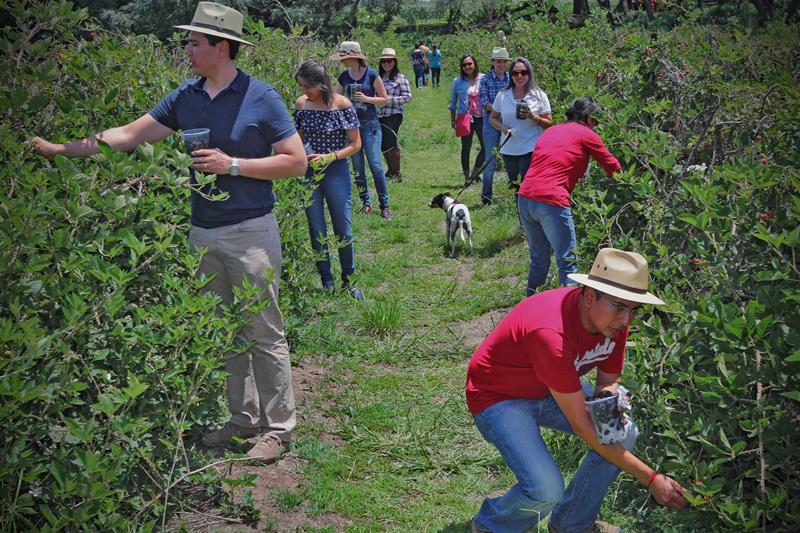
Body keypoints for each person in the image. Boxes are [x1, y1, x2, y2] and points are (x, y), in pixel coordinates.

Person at [31, 2, 307, 463]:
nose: (187, 50)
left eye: (194, 43)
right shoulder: (187, 97)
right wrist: (61, 149)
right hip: (203, 231)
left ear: (222, 47)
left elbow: (295, 161)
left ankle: (279, 429)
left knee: (263, 331)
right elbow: (128, 134)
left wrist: (232, 165)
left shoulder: (262, 97)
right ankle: (242, 421)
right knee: (224, 331)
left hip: (251, 231)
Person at [467, 248, 690, 533]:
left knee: (624, 432)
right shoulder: (550, 332)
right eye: (619, 306)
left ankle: (572, 523)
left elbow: (607, 379)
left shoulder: (611, 325)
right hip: (497, 396)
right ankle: (491, 525)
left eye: (633, 309)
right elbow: (584, 427)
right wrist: (651, 478)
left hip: (550, 389)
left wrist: (609, 399)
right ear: (588, 297)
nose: (625, 320)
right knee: (546, 489)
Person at [518, 97, 621, 296]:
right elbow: (614, 168)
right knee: (568, 262)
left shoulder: (551, 131)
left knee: (539, 259)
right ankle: (566, 318)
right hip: (551, 200)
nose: (596, 127)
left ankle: (530, 308)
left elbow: (551, 162)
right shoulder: (587, 134)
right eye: (596, 122)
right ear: (589, 119)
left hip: (525, 197)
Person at [294, 59, 364, 300]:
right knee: (316, 227)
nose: (305, 92)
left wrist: (330, 156)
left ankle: (350, 280)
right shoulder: (302, 105)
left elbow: (356, 145)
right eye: (302, 87)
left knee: (342, 227)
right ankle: (326, 280)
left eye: (308, 87)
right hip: (309, 172)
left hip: (336, 171)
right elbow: (298, 138)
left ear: (321, 85)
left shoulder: (342, 105)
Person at [331, 41, 393, 219]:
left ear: (354, 57)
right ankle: (366, 203)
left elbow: (384, 100)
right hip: (351, 127)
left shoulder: (372, 75)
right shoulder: (344, 77)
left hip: (370, 124)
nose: (342, 60)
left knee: (375, 165)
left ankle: (385, 205)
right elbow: (336, 98)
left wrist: (366, 98)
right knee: (357, 168)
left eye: (344, 56)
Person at [488, 56, 553, 192]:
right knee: (514, 186)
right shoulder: (503, 95)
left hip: (530, 148)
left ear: (529, 74)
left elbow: (549, 124)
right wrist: (504, 128)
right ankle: (519, 211)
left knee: (526, 186)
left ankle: (526, 212)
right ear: (510, 75)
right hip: (508, 148)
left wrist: (532, 116)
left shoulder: (539, 96)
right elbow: (492, 119)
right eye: (515, 73)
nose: (519, 76)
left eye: (523, 72)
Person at [477, 47, 510, 205]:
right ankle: (486, 196)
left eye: (504, 61)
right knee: (490, 160)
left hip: (509, 122)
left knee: (510, 158)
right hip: (490, 122)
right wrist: (500, 109)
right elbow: (483, 102)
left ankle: (512, 195)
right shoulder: (485, 79)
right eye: (498, 61)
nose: (501, 64)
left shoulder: (511, 78)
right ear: (492, 62)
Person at [449, 54, 485, 188]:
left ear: (474, 64)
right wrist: (453, 120)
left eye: (469, 64)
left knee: (486, 147)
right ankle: (467, 178)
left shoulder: (483, 78)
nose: (467, 67)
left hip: (482, 117)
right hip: (465, 118)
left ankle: (475, 173)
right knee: (466, 148)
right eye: (464, 65)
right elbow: (453, 102)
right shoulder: (457, 81)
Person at [376, 48, 412, 182]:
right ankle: (390, 171)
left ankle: (396, 173)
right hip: (379, 114)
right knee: (383, 144)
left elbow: (408, 97)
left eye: (389, 61)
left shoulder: (401, 78)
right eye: (383, 61)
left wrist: (388, 100)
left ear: (395, 62)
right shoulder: (378, 78)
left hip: (394, 114)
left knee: (391, 141)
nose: (386, 64)